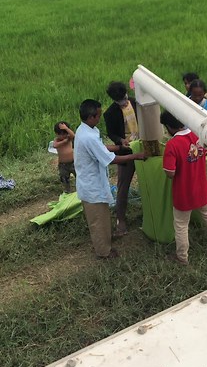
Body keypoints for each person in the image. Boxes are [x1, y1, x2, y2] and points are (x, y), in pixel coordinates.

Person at [74, 99, 145, 260]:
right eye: (98, 115)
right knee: (98, 220)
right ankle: (104, 251)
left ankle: (105, 240)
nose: (100, 118)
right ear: (91, 117)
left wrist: (120, 147)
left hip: (93, 182)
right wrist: (136, 155)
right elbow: (110, 159)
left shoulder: (86, 130)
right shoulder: (88, 137)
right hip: (91, 186)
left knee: (102, 217)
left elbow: (101, 148)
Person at [160, 110, 207, 265]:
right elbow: (203, 154)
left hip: (184, 193)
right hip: (201, 189)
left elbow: (170, 173)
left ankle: (182, 257)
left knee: (181, 225)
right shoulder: (197, 136)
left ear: (168, 126)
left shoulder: (172, 145)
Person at [104, 81, 139, 236]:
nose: (124, 102)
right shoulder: (110, 113)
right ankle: (121, 220)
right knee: (123, 185)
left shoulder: (135, 102)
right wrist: (120, 141)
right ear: (114, 99)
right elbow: (111, 133)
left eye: (124, 98)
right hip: (126, 150)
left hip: (143, 146)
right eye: (120, 101)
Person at [53, 121, 76, 193]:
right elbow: (55, 145)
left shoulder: (69, 138)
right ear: (56, 134)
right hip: (63, 165)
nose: (63, 136)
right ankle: (67, 191)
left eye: (65, 134)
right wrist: (64, 141)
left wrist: (66, 128)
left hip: (73, 162)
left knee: (79, 175)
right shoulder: (57, 140)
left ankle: (80, 188)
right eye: (60, 134)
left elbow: (73, 135)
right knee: (64, 178)